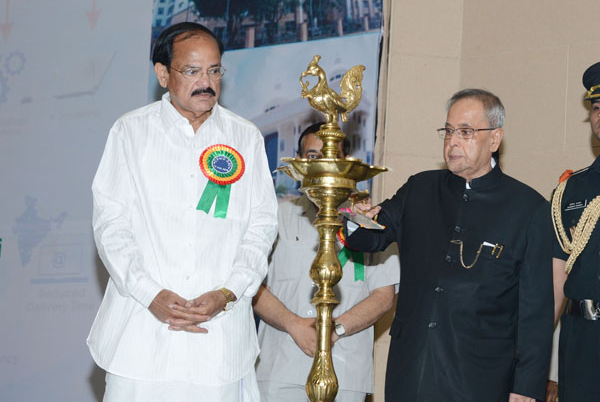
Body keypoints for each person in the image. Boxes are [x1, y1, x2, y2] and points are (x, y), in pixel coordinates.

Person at [87, 22, 278, 401]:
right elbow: (111, 226)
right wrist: (150, 294)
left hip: (220, 343)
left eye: (214, 70)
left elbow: (262, 228)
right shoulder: (130, 132)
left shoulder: (246, 138)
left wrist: (228, 293)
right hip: (141, 339)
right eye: (192, 71)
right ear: (162, 74)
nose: (206, 82)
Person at [345, 89, 554, 402]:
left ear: (494, 139)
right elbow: (369, 237)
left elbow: (536, 313)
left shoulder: (529, 209)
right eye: (448, 131)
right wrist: (351, 214)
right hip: (411, 370)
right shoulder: (420, 188)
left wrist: (525, 387)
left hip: (480, 378)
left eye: (466, 132)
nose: (453, 141)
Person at [253, 123, 400, 402]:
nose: (322, 165)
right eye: (312, 157)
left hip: (346, 370)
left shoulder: (370, 222)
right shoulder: (275, 217)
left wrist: (335, 330)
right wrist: (294, 325)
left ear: (344, 163)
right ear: (298, 163)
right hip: (279, 369)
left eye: (331, 156)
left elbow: (384, 295)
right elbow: (253, 287)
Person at [551, 61, 600, 402]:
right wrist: (534, 359)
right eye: (597, 107)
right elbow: (556, 277)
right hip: (580, 336)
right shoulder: (571, 190)